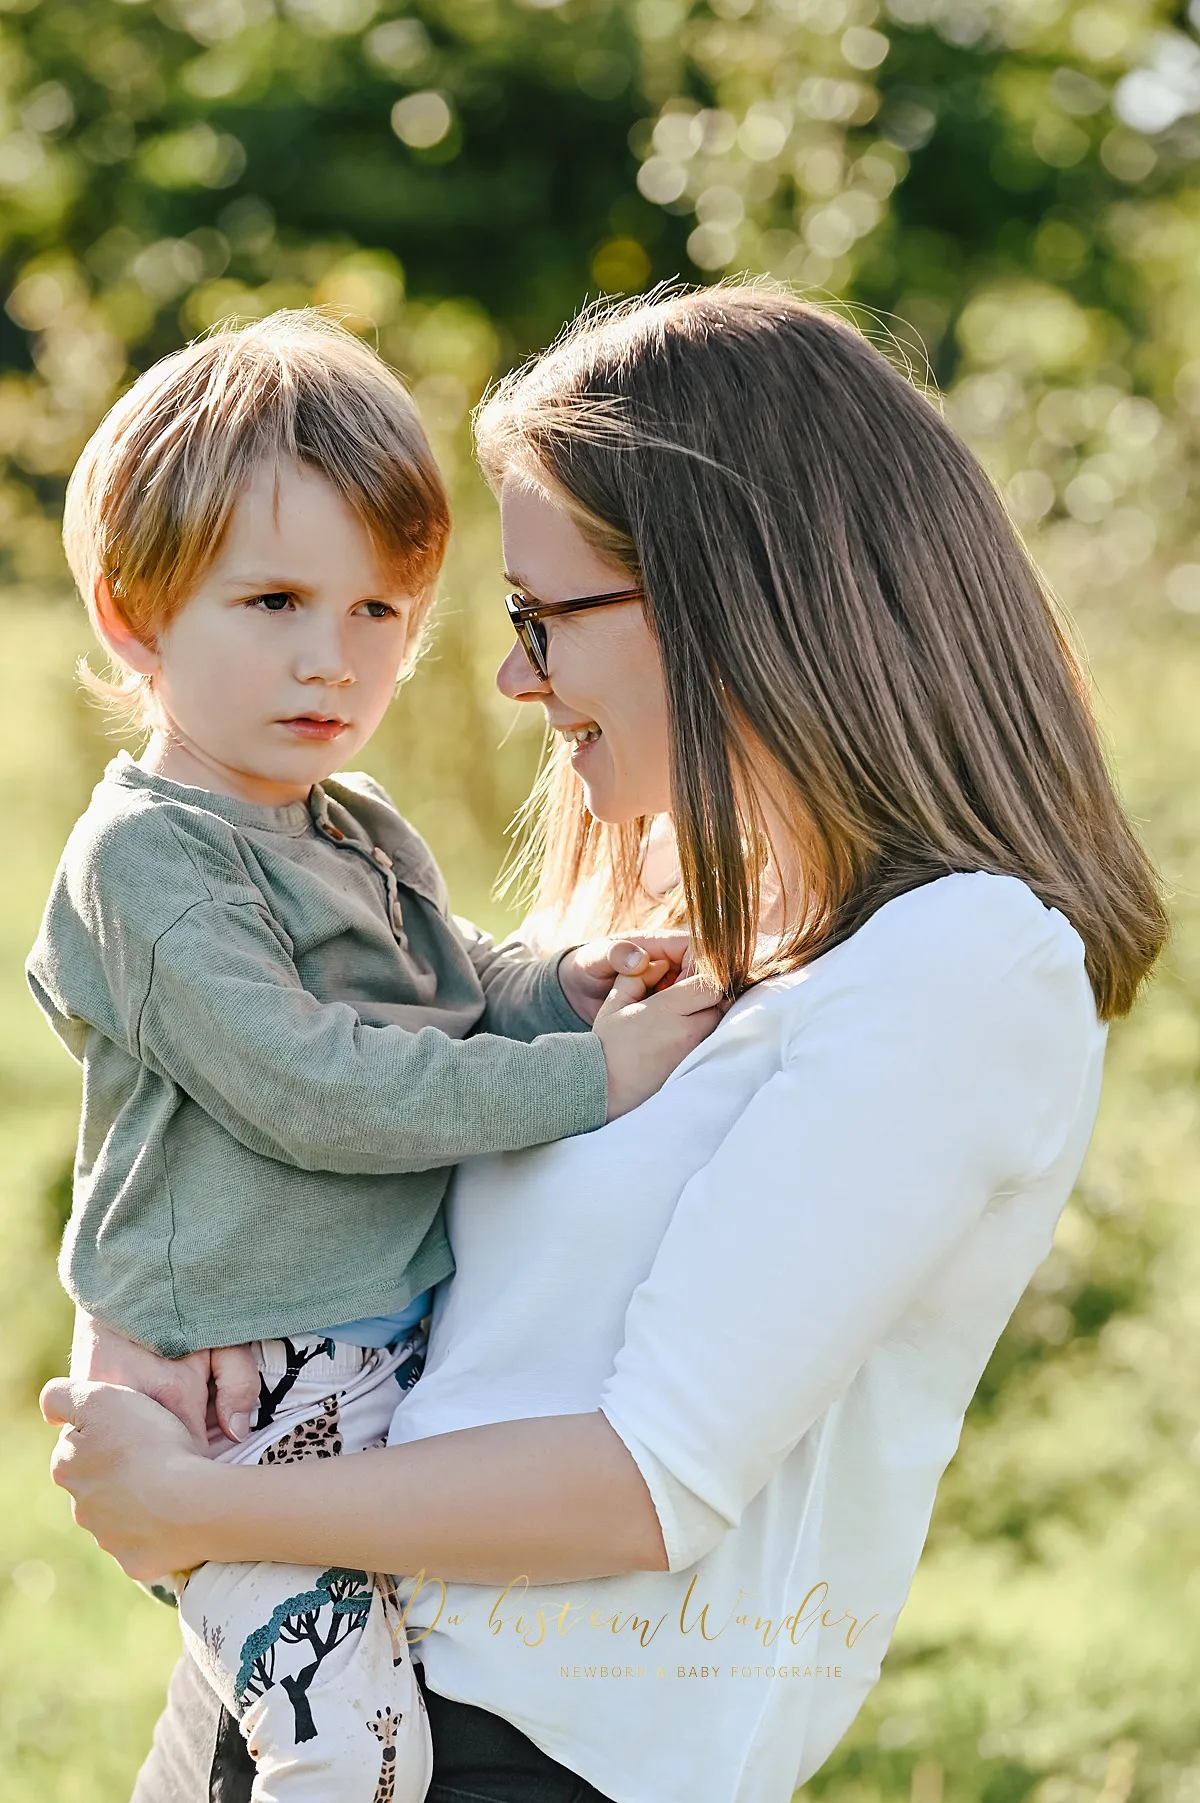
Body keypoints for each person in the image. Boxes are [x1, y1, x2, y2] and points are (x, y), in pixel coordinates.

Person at [45, 285, 1167, 1803]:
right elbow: (293, 1119)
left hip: (519, 1756)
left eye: (541, 618)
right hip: (287, 1685)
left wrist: (202, 1505)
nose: (513, 680)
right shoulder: (654, 911)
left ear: (731, 597)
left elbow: (651, 1481)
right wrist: (145, 1336)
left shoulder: (962, 964)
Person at [26, 310, 721, 1803]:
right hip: (239, 1389)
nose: (329, 661)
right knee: (352, 1750)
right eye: (272, 599)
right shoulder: (149, 865)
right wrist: (590, 1078)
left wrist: (556, 985)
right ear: (132, 615)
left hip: (350, 1357)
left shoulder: (346, 822)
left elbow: (439, 986)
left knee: (290, 1723)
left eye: (378, 612)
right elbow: (320, 1082)